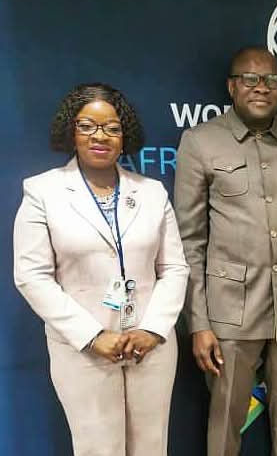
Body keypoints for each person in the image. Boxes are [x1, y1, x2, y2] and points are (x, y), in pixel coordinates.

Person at [13, 82, 189, 456]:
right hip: (84, 350)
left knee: (151, 447)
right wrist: (93, 335)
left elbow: (174, 267)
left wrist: (152, 329)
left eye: (112, 128)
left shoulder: (152, 192)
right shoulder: (43, 192)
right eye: (87, 126)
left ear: (125, 136)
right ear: (71, 131)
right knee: (98, 449)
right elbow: (31, 275)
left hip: (149, 347)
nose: (100, 136)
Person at [174, 46, 277, 456]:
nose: (261, 87)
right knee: (225, 427)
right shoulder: (200, 142)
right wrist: (199, 322)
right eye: (250, 79)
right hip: (228, 316)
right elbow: (189, 242)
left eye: (271, 80)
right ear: (232, 87)